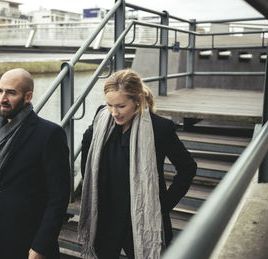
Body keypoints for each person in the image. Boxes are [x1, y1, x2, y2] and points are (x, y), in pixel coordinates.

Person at [78, 69, 197, 259]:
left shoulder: (160, 128)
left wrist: (163, 205)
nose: (114, 112)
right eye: (110, 105)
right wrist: (91, 178)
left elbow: (188, 168)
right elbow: (87, 142)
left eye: (121, 106)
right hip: (107, 216)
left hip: (143, 218)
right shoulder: (102, 118)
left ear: (138, 100)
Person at [0, 68, 71, 259]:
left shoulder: (49, 134)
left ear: (28, 96)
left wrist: (41, 246)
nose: (3, 98)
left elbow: (59, 197)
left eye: (11, 93)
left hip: (28, 239)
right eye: (0, 91)